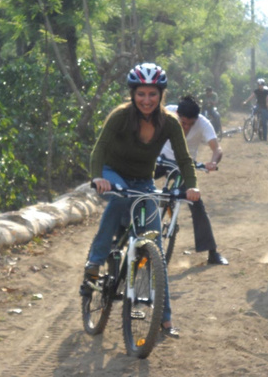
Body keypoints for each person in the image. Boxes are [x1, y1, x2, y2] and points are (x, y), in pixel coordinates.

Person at [84, 62, 201, 338]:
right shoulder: (121, 116)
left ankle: (164, 318)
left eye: (152, 94)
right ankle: (95, 261)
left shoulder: (170, 122)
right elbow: (99, 149)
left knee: (155, 247)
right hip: (114, 173)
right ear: (133, 94)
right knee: (120, 200)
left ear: (161, 95)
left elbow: (184, 159)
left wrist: (192, 187)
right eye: (141, 94)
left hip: (144, 181)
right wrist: (98, 177)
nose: (146, 100)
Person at [156, 95, 229, 265]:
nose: (186, 127)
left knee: (196, 203)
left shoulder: (204, 123)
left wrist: (213, 162)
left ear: (197, 119)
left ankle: (212, 252)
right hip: (160, 160)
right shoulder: (167, 113)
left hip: (184, 166)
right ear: (177, 115)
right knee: (138, 187)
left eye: (191, 124)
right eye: (183, 123)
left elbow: (217, 148)